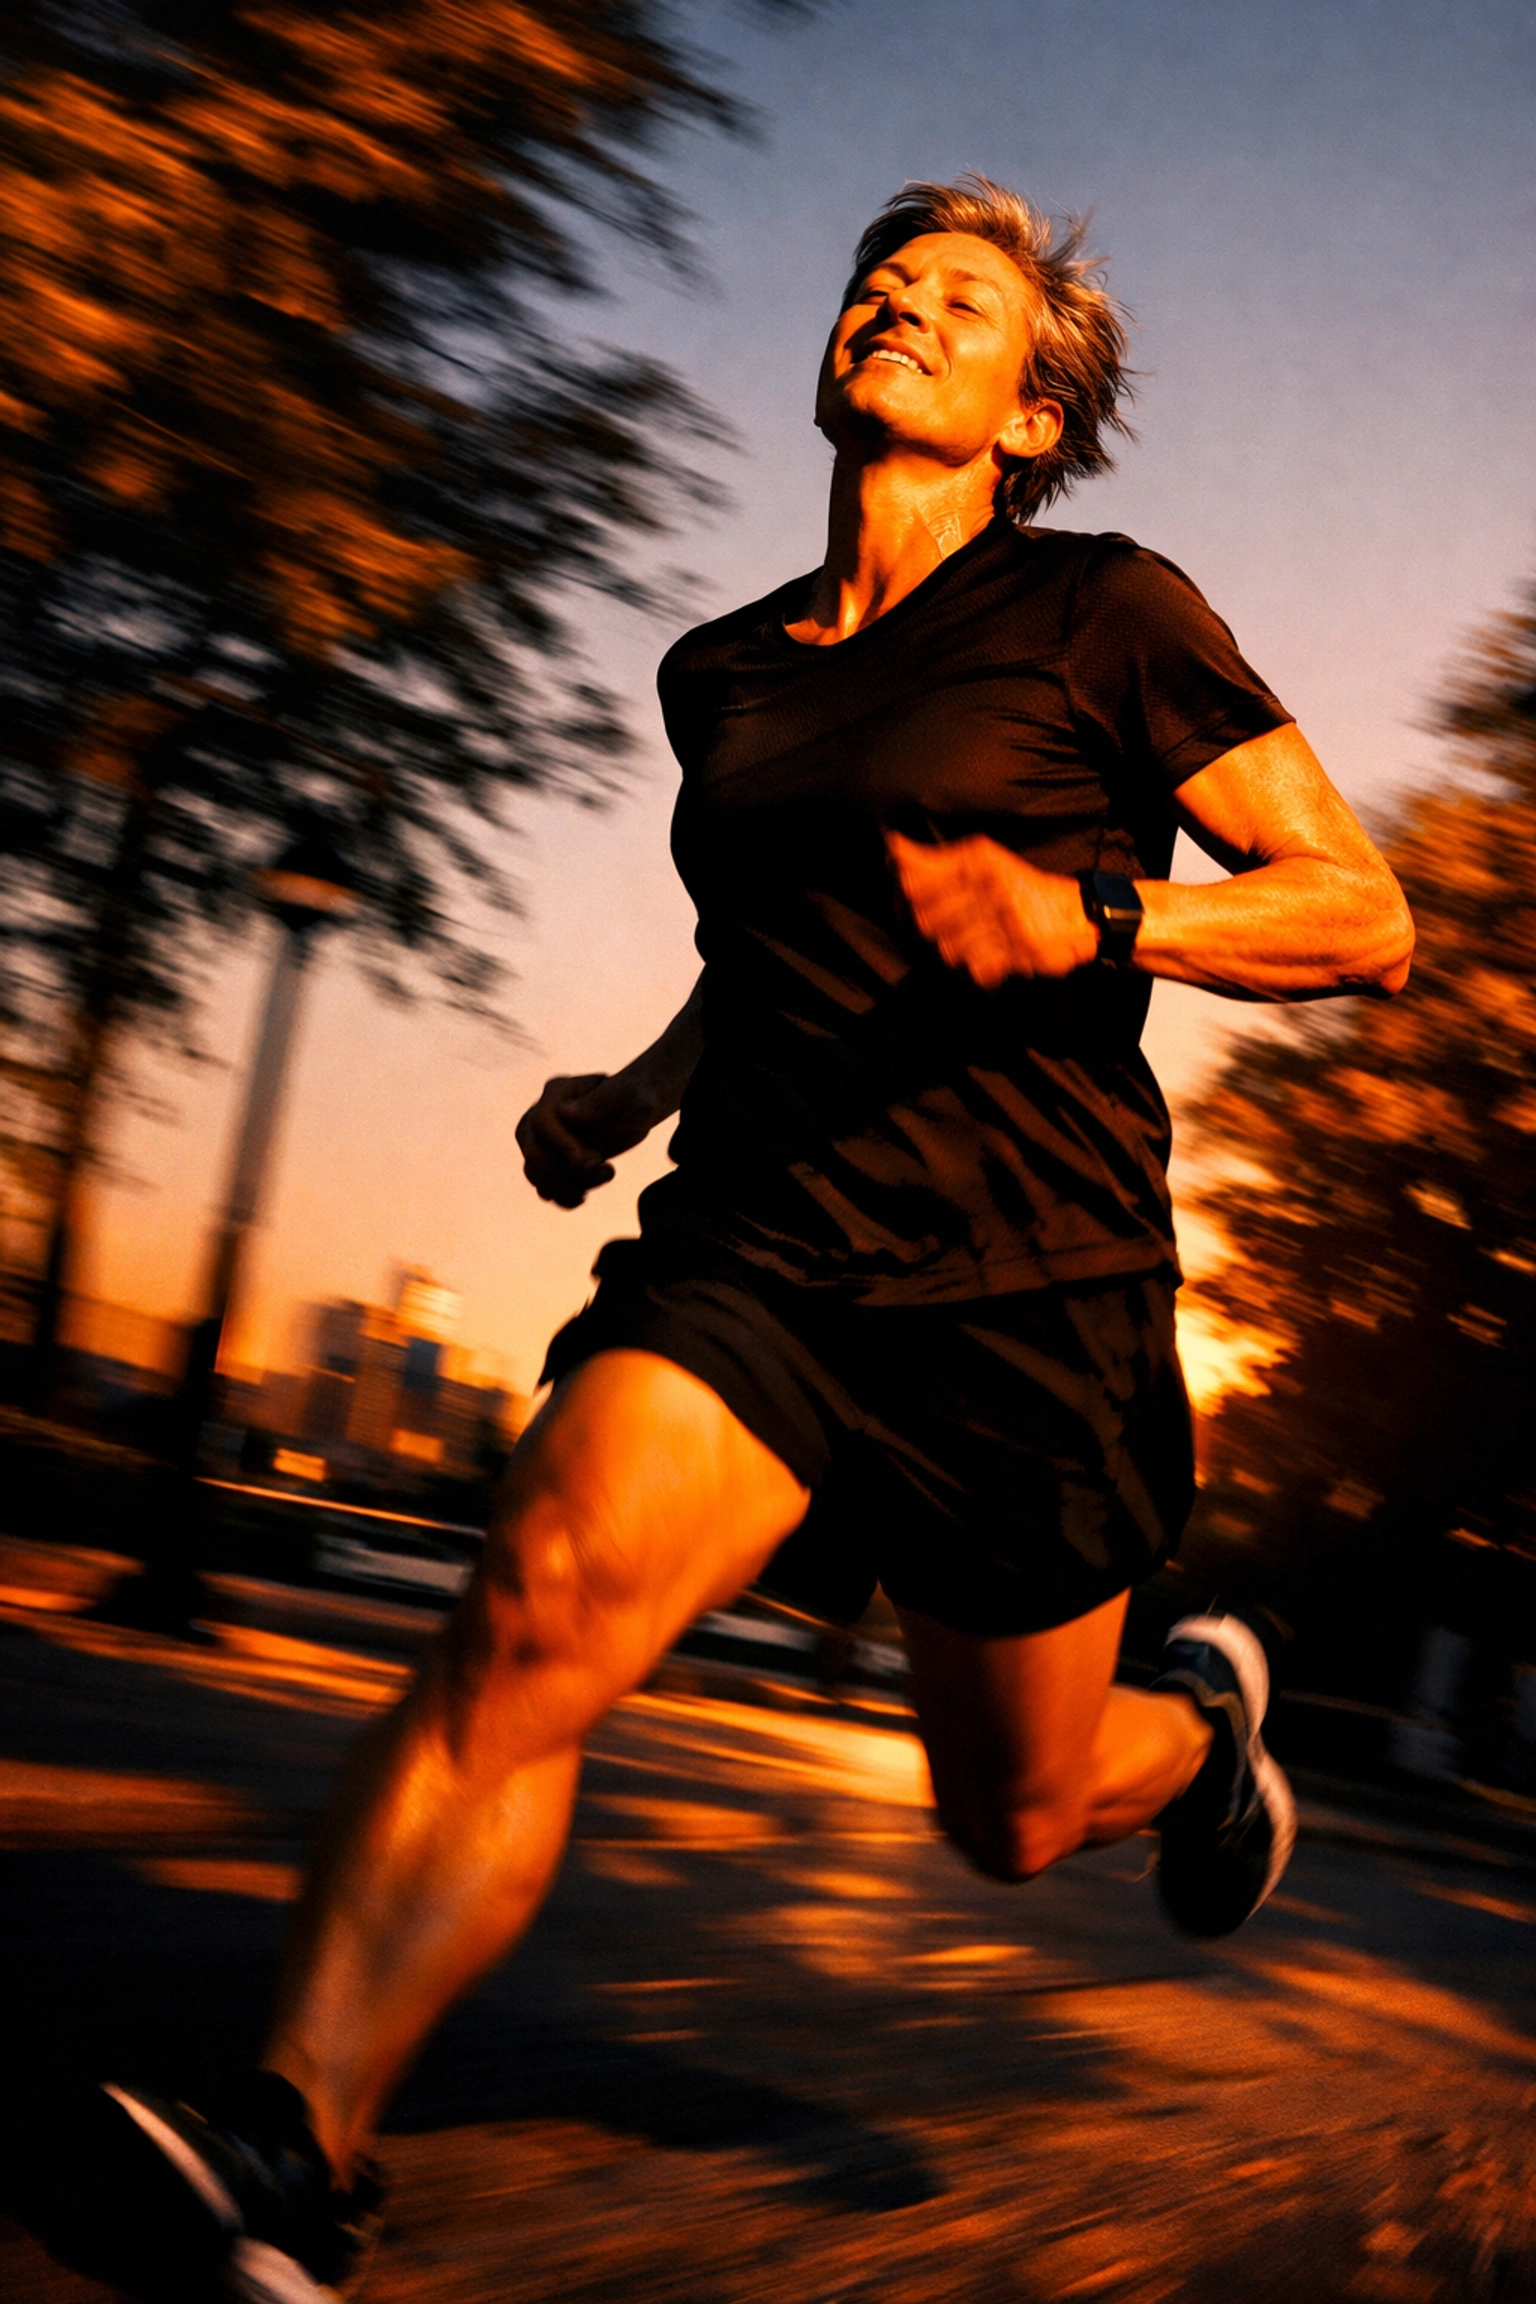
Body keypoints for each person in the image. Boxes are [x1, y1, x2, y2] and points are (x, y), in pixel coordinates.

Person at [15, 176, 1413, 2303]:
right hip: (763, 1235)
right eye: (881, 279)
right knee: (536, 1602)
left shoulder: (1109, 614)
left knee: (1015, 1812)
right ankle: (292, 2146)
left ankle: (1202, 1744)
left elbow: (1358, 911)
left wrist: (1097, 915)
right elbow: (773, 956)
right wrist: (637, 1089)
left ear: (1032, 415)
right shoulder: (726, 672)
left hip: (1034, 1278)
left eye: (960, 300)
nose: (897, 305)